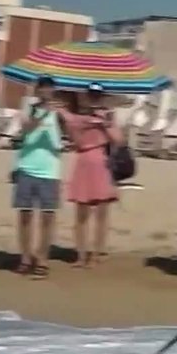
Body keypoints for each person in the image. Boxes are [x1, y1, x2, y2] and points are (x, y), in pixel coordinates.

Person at [58, 86, 122, 269]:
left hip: (101, 161)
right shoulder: (77, 117)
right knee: (81, 213)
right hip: (83, 161)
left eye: (97, 95)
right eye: (91, 95)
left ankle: (96, 254)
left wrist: (105, 123)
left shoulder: (108, 115)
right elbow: (75, 141)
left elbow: (118, 140)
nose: (94, 98)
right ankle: (81, 254)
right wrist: (76, 121)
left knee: (101, 213)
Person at [11, 77, 66, 279]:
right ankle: (25, 257)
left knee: (48, 217)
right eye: (42, 89)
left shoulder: (59, 113)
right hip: (27, 166)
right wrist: (43, 115)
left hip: (50, 170)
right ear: (37, 91)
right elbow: (25, 129)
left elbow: (71, 132)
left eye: (49, 89)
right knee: (25, 215)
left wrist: (61, 114)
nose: (46, 92)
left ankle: (42, 258)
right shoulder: (29, 109)